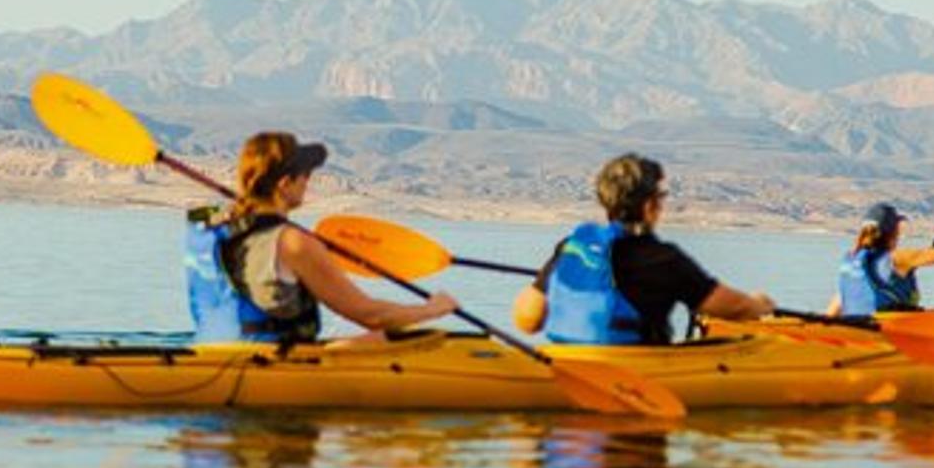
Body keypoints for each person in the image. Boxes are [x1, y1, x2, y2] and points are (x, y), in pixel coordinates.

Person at [184, 131, 458, 343]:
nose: (308, 183)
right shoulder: (294, 242)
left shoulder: (210, 226)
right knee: (408, 340)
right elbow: (370, 315)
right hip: (274, 364)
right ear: (285, 184)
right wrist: (433, 309)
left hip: (210, 352)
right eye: (305, 176)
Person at [513, 154, 776, 345]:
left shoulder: (572, 247)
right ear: (649, 205)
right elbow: (733, 308)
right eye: (660, 198)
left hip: (564, 361)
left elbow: (527, 320)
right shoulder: (663, 259)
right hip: (635, 369)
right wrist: (760, 305)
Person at [827, 202, 934, 315]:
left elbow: (837, 304)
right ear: (894, 231)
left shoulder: (854, 260)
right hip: (889, 331)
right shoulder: (900, 258)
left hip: (860, 329)